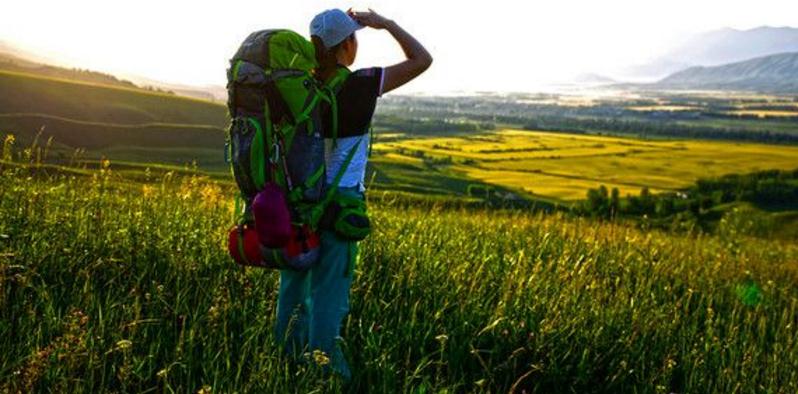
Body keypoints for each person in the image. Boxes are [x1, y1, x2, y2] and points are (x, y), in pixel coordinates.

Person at [274, 8, 432, 381]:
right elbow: (421, 60)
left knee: (293, 287)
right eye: (355, 37)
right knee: (330, 294)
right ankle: (327, 373)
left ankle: (284, 368)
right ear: (347, 43)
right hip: (340, 206)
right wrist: (387, 24)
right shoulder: (361, 84)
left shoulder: (297, 87)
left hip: (298, 203)